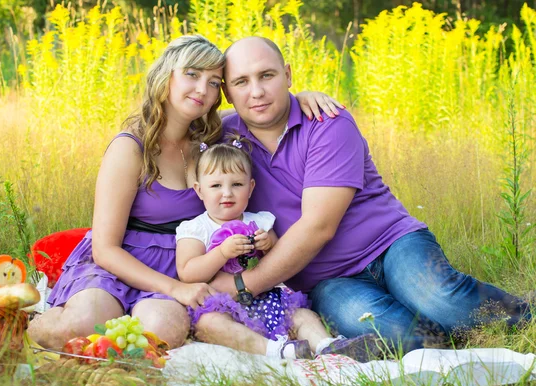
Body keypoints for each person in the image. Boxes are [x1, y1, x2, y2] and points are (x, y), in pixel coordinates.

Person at [202, 36, 531, 354]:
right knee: (400, 336)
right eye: (241, 82)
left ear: (287, 74)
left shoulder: (326, 121)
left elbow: (318, 226)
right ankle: (450, 340)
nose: (257, 91)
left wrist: (245, 285)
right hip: (329, 282)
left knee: (440, 301)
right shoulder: (226, 138)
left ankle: (523, 314)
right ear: (227, 92)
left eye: (267, 75)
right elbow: (173, 128)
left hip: (391, 245)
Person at [27, 35, 342, 350]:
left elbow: (264, 110)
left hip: (183, 266)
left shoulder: (215, 140)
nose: (202, 89)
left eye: (214, 82)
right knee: (83, 323)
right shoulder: (130, 147)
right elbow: (105, 249)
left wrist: (300, 97)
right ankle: (23, 321)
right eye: (192, 74)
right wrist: (174, 288)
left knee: (164, 332)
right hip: (120, 263)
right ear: (166, 76)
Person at [175, 141, 381, 360]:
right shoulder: (196, 228)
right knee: (209, 324)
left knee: (301, 315)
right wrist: (222, 253)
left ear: (251, 187)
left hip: (267, 300)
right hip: (224, 306)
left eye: (237, 184)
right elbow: (188, 272)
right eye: (216, 186)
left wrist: (267, 244)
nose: (227, 193)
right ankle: (278, 351)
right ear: (199, 190)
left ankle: (327, 346)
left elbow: (278, 255)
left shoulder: (260, 221)